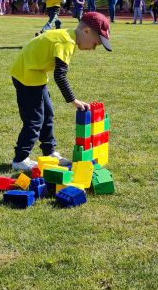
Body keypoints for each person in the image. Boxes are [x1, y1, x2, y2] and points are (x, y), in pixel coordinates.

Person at [8, 12, 112, 171]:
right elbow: (60, 75)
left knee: (47, 114)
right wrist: (73, 100)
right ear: (86, 32)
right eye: (96, 43)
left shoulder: (69, 36)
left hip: (35, 73)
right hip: (26, 75)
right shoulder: (66, 41)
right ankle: (20, 159)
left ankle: (49, 152)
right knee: (34, 119)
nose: (93, 48)